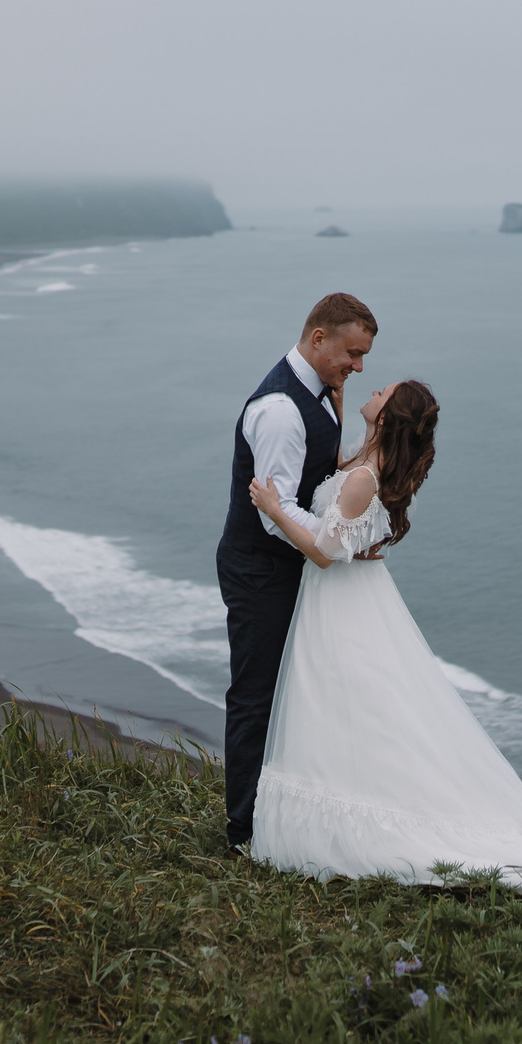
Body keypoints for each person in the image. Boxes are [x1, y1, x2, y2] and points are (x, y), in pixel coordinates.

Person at [244, 379, 522, 887]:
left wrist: (274, 509)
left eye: (382, 391)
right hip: (345, 597)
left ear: (387, 417)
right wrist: (340, 411)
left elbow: (323, 552)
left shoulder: (364, 478)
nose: (373, 387)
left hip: (341, 604)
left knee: (345, 701)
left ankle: (366, 817)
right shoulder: (365, 462)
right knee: (345, 706)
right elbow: (342, 481)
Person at [215, 292, 377, 851]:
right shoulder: (281, 410)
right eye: (352, 353)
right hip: (259, 570)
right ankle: (243, 831)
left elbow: (318, 473)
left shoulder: (323, 393)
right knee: (256, 695)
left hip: (292, 564)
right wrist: (338, 542)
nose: (358, 366)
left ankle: (285, 813)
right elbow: (273, 514)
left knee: (299, 692)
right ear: (318, 338)